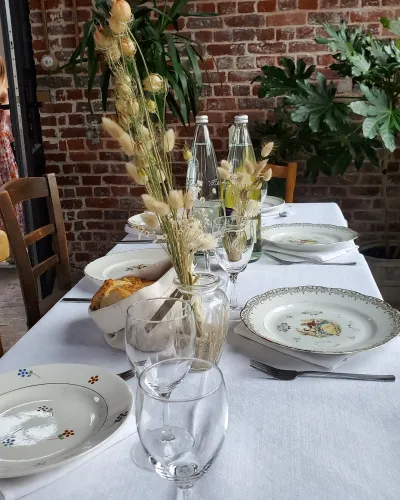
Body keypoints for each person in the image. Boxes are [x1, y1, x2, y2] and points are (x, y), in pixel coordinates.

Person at [0, 56, 24, 232]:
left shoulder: (4, 94)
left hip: (4, 154)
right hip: (4, 153)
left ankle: (13, 244)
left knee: (9, 199)